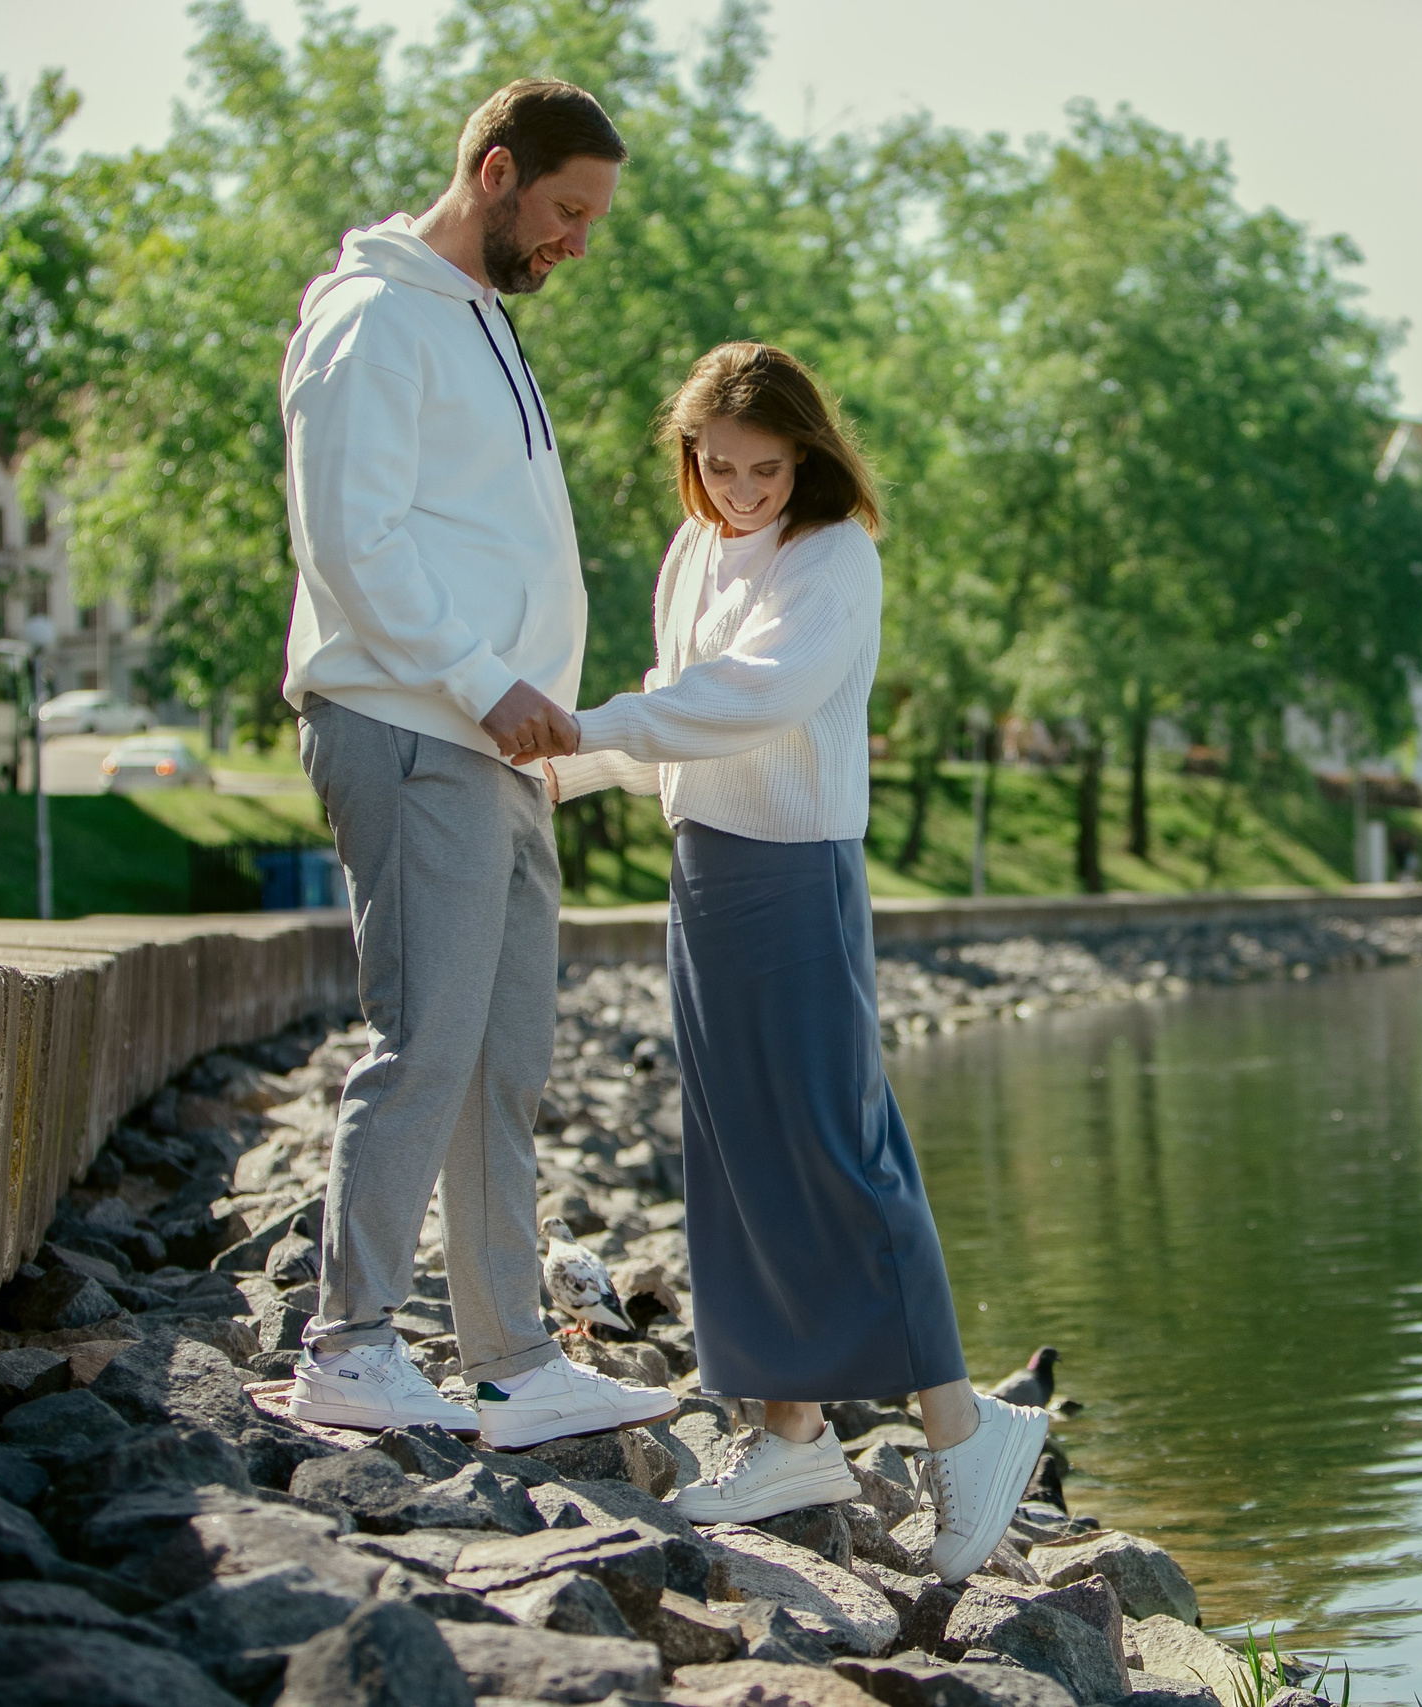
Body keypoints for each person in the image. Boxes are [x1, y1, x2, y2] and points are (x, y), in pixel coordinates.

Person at [546, 342, 1048, 1584]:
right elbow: (675, 702)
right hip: (705, 864)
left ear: (807, 457)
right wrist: (560, 767)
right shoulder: (692, 550)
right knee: (736, 1149)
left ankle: (968, 1433)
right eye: (716, 466)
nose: (738, 490)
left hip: (795, 867)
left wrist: (587, 729)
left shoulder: (835, 558)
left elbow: (750, 697)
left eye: (764, 468)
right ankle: (790, 1433)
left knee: (838, 1145)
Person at [278, 78, 673, 1450]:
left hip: (498, 749)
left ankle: (512, 1355)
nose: (577, 241)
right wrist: (485, 680)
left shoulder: (481, 323)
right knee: (426, 1037)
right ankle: (349, 1340)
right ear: (496, 174)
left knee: (502, 1057)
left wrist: (529, 705)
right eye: (567, 211)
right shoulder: (375, 316)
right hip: (417, 725)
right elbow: (352, 539)